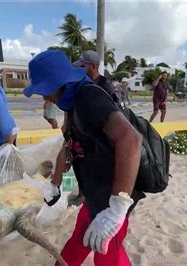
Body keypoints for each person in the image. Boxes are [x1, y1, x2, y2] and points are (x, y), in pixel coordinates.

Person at [24, 50, 144, 265]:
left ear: (58, 82)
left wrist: (116, 208)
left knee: (106, 255)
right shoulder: (71, 102)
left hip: (113, 195)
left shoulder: (89, 96)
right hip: (94, 194)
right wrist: (55, 183)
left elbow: (131, 139)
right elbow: (69, 144)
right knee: (80, 240)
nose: (44, 97)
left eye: (45, 90)